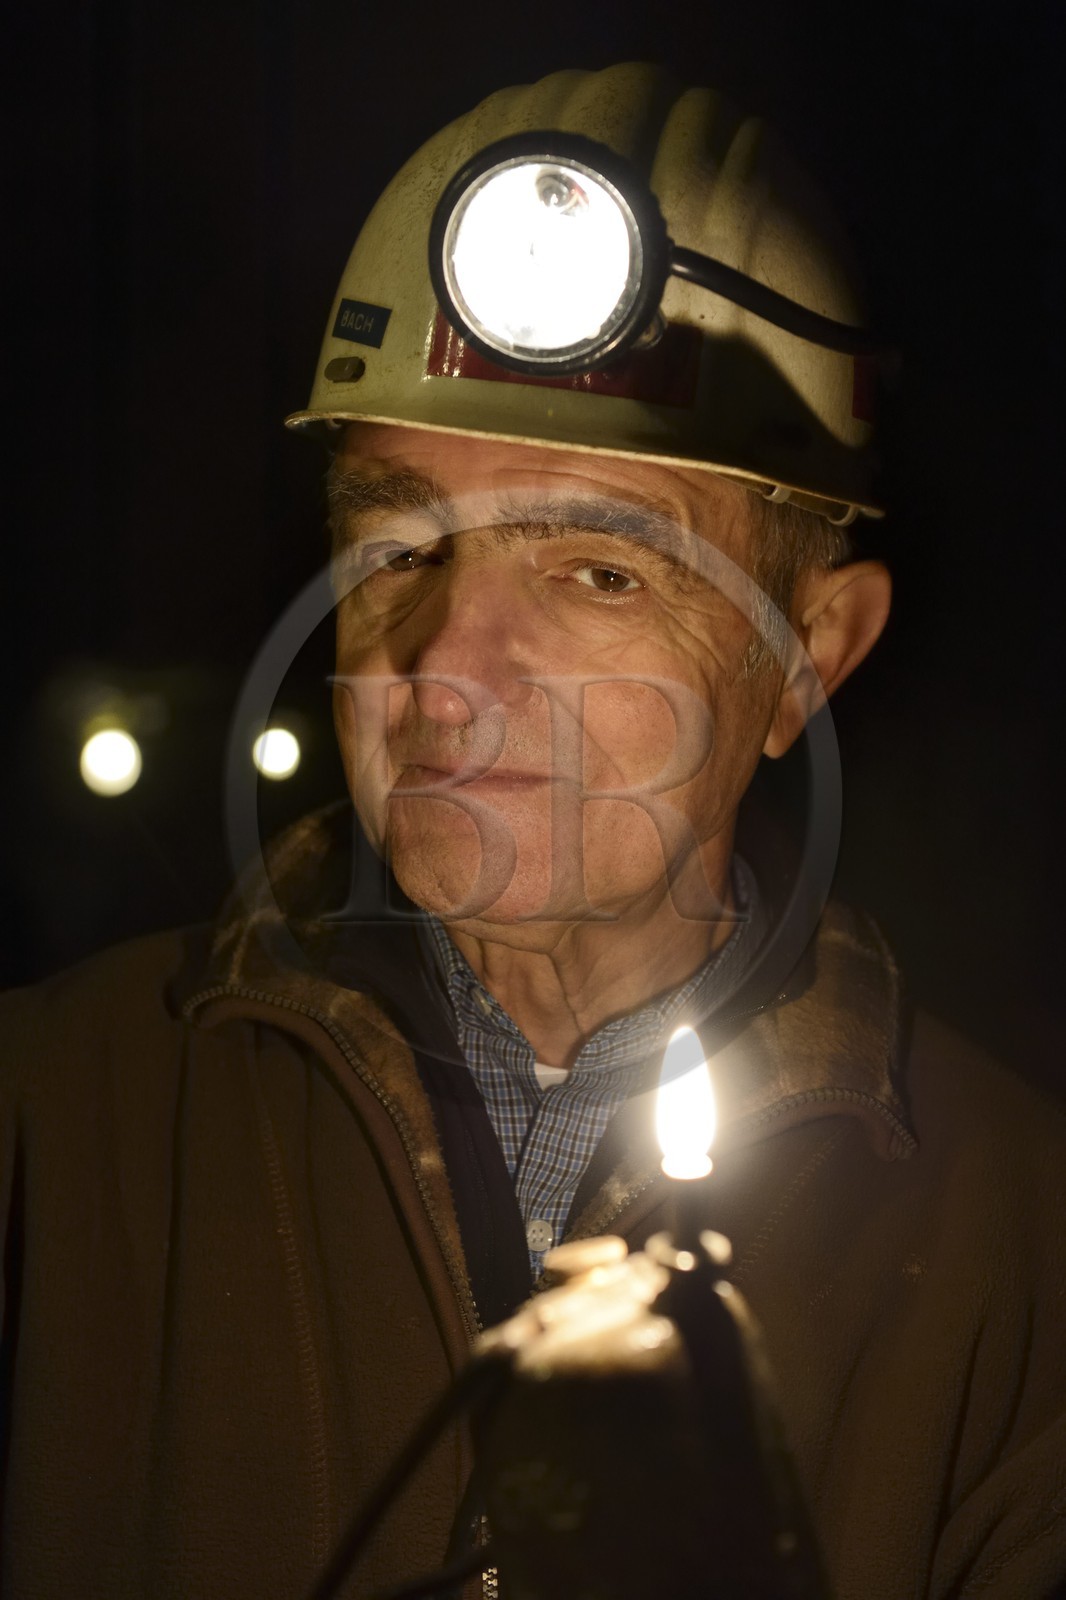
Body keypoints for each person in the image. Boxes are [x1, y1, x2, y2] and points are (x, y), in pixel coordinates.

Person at [2, 62, 1065, 1600]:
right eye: (393, 545)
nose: (440, 670)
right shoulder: (45, 1127)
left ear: (807, 655)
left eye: (600, 573)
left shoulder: (1021, 1270)